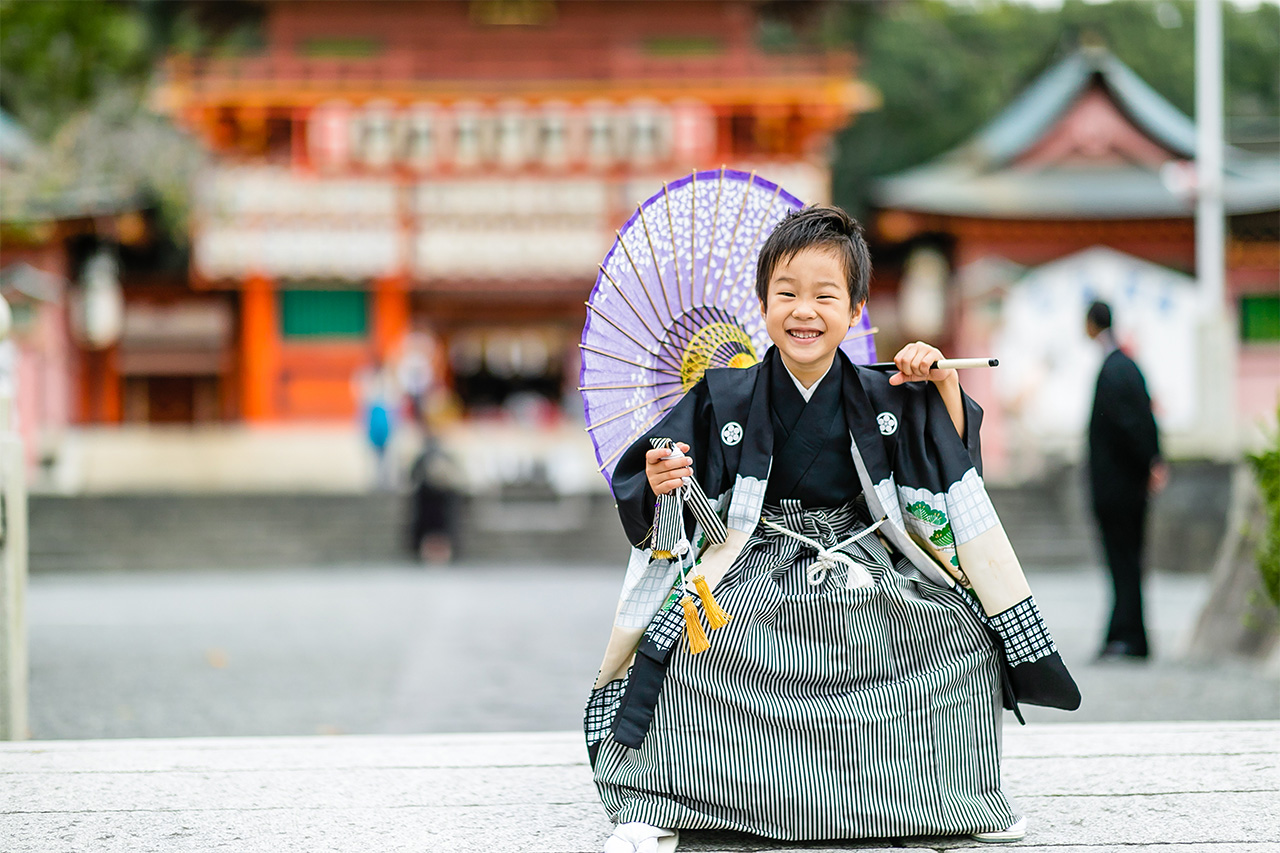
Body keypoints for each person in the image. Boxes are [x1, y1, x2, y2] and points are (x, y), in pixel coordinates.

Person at [585, 207, 1079, 853]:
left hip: (863, 557)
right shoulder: (722, 396)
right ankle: (663, 800)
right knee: (691, 649)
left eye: (825, 295)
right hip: (752, 563)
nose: (804, 310)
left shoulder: (889, 390)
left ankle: (958, 795)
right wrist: (659, 475)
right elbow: (659, 481)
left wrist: (945, 385)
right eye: (786, 293)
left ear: (857, 310)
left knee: (959, 637)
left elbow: (948, 471)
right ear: (762, 304)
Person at [1085, 300, 1166, 661]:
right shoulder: (1125, 364)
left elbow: (1131, 424)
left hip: (1119, 487)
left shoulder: (1115, 368)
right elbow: (1144, 416)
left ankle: (1129, 638)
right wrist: (1154, 460)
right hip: (1126, 484)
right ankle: (1127, 634)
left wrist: (1150, 461)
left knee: (1124, 560)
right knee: (1127, 561)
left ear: (1090, 325)